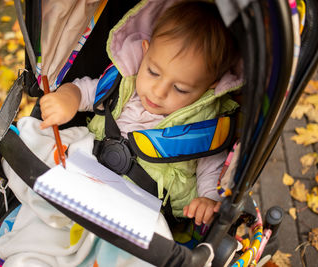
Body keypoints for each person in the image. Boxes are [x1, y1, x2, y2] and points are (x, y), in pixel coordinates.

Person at [39, 0, 240, 227]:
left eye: (180, 89)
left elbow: (211, 168)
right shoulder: (123, 84)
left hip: (143, 212)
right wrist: (68, 98)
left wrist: (208, 199)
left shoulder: (203, 125)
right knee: (37, 141)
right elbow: (85, 90)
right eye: (153, 72)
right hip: (88, 180)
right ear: (145, 52)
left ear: (210, 86)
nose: (158, 92)